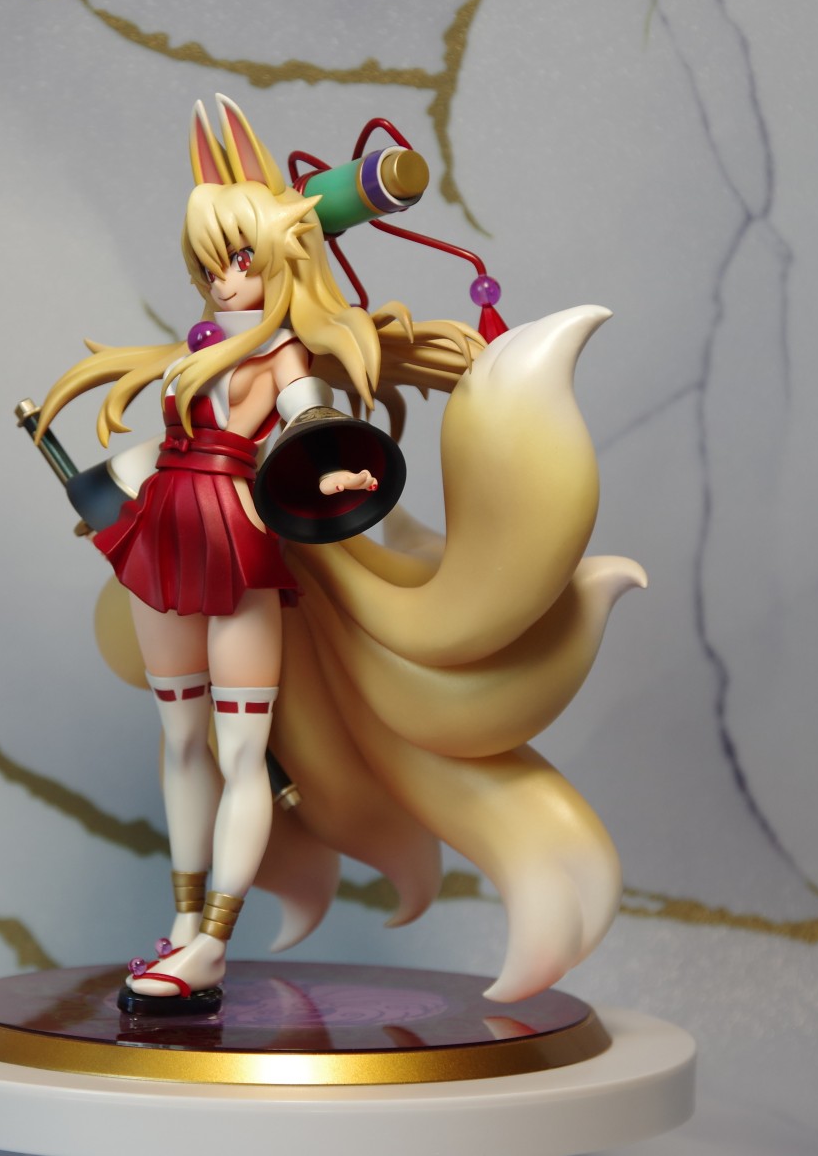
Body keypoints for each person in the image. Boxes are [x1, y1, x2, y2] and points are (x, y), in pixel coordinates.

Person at [35, 95, 641, 1005]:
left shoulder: (284, 355)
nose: (223, 280)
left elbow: (307, 426)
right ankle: (183, 922)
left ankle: (212, 942)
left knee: (242, 751)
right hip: (163, 540)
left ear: (278, 258)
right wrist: (112, 491)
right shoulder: (194, 349)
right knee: (185, 741)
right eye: (209, 262)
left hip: (237, 546)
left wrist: (337, 475)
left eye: (240, 259)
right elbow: (171, 445)